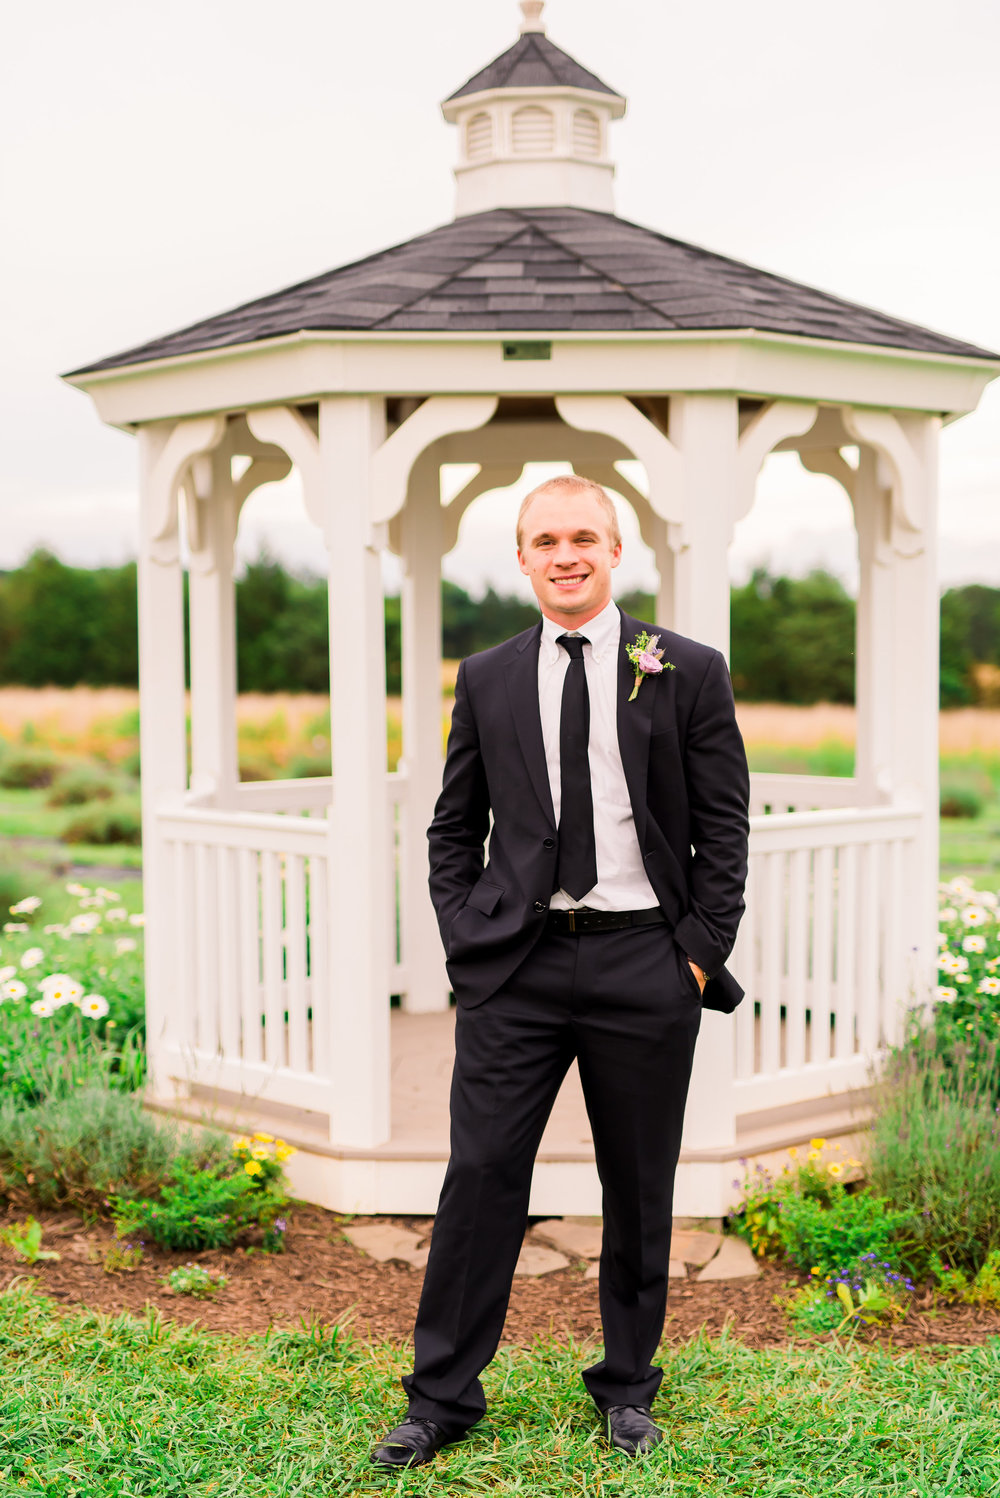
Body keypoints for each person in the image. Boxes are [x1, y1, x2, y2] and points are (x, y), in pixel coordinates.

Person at [371, 474, 750, 1468]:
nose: (565, 554)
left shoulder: (684, 669)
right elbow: (453, 824)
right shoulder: (487, 674)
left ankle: (627, 1387)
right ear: (523, 557)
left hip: (644, 959)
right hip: (517, 967)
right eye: (545, 540)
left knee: (637, 1184)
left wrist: (698, 955)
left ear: (616, 551)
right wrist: (468, 938)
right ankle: (442, 1394)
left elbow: (724, 825)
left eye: (583, 536)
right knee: (482, 1175)